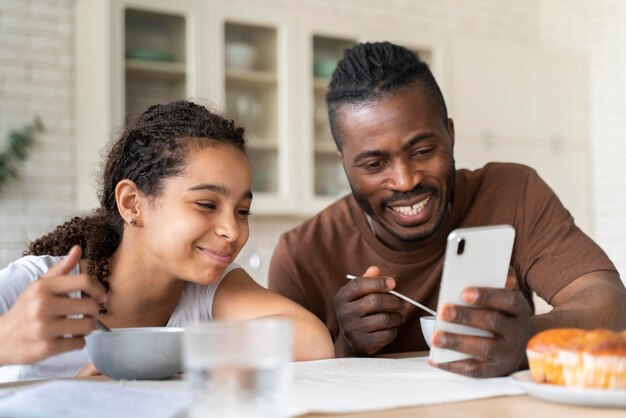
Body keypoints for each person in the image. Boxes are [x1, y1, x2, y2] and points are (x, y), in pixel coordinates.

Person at [268, 41, 626, 378]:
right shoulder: (301, 254)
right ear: (344, 165)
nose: (406, 181)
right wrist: (347, 346)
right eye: (375, 164)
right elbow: (284, 384)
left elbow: (611, 303)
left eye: (422, 151)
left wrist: (526, 337)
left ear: (450, 135)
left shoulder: (513, 192)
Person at [0, 100, 334, 382]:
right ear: (133, 203)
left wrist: (156, 357)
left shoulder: (210, 290)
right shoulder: (34, 283)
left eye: (243, 211)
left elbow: (312, 340)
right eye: (207, 205)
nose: (232, 231)